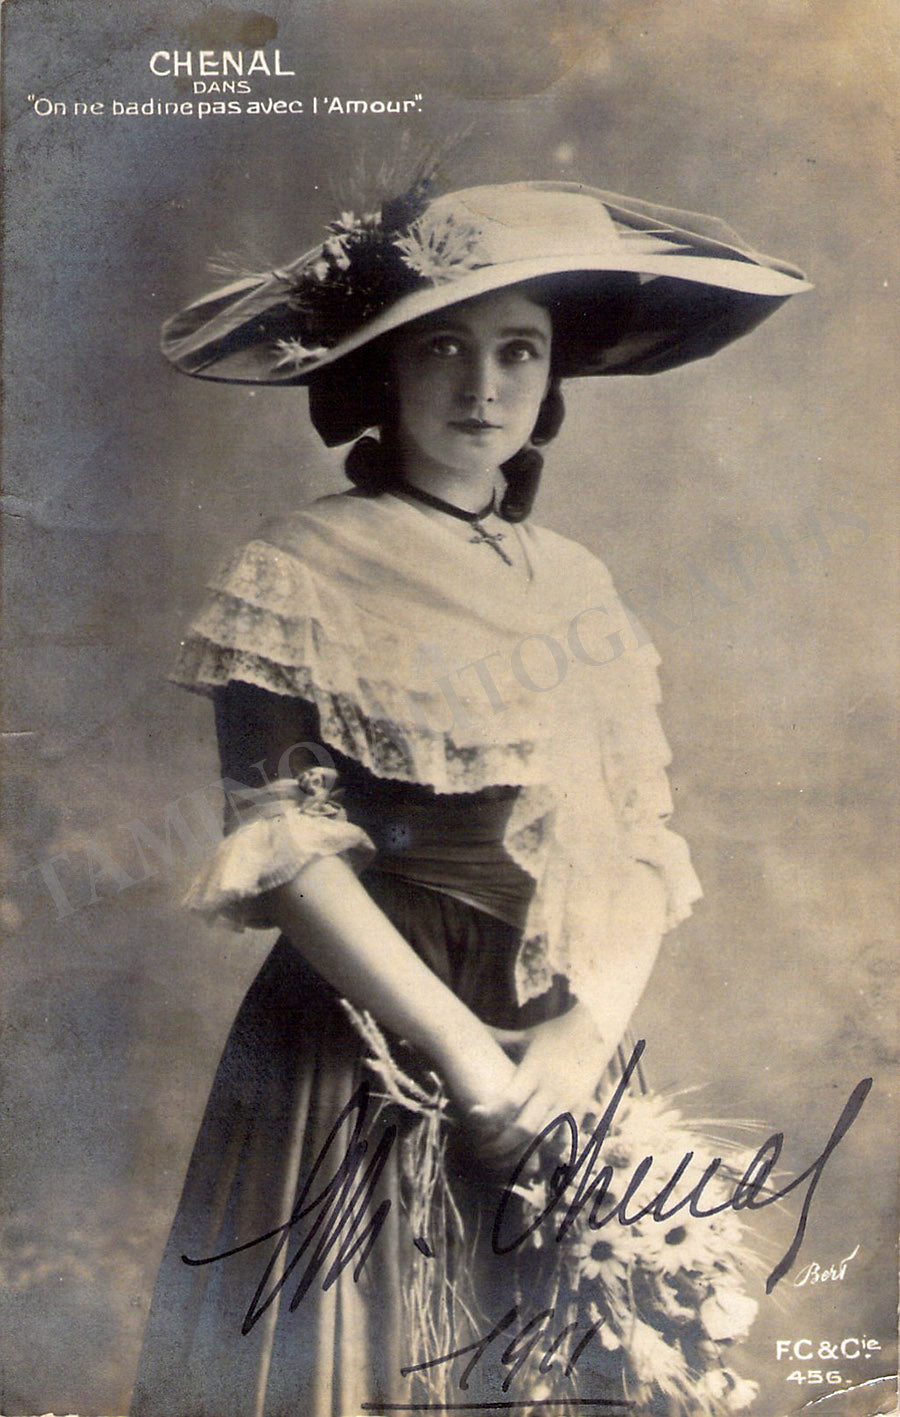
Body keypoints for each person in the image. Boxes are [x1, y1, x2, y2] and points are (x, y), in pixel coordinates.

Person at [130, 178, 809, 1416]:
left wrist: (579, 1042)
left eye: (518, 350)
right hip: (366, 1029)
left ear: (551, 379)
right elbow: (283, 846)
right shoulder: (294, 567)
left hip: (549, 1035)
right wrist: (463, 1062)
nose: (482, 387)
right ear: (382, 371)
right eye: (443, 347)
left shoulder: (579, 581)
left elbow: (638, 845)